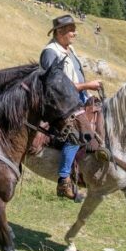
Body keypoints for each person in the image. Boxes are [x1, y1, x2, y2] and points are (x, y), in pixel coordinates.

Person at [40, 14, 103, 201]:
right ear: (60, 32)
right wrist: (86, 86)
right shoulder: (50, 52)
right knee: (75, 134)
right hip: (61, 104)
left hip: (78, 99)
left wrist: (88, 93)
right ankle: (64, 180)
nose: (74, 34)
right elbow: (54, 87)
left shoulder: (69, 50)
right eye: (71, 30)